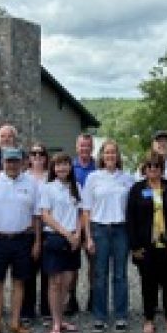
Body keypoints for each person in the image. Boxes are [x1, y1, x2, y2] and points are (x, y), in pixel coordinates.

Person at [0, 147, 41, 333]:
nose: (12, 165)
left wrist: (37, 242)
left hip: (23, 238)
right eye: (8, 161)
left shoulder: (32, 183)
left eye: (16, 161)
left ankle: (15, 322)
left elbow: (36, 216)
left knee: (19, 282)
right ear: (2, 162)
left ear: (23, 162)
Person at [82, 139, 135, 333]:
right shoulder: (93, 178)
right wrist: (88, 237)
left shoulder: (128, 178)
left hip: (121, 230)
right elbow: (86, 210)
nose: (110, 156)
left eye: (113, 152)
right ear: (101, 156)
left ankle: (121, 315)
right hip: (99, 229)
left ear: (118, 156)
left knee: (120, 275)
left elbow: (133, 208)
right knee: (99, 274)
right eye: (107, 153)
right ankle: (100, 316)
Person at [126, 151, 167, 333]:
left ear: (162, 169)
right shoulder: (137, 189)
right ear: (145, 168)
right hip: (145, 246)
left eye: (157, 166)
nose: (153, 169)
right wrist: (134, 246)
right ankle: (148, 319)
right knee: (147, 283)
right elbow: (130, 218)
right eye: (150, 166)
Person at [39, 152, 83, 333]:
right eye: (58, 165)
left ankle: (62, 317)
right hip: (55, 238)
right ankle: (55, 322)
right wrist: (66, 234)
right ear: (53, 168)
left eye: (65, 164)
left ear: (70, 167)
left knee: (67, 282)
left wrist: (78, 234)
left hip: (73, 238)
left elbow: (81, 213)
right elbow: (45, 216)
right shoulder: (47, 188)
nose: (62, 168)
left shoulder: (77, 187)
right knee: (55, 283)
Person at [22, 142, 50, 325]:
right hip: (28, 230)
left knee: (48, 271)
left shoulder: (51, 177)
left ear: (46, 157)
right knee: (28, 272)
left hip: (48, 229)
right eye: (33, 153)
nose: (37, 157)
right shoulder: (23, 177)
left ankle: (47, 309)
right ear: (29, 158)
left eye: (41, 153)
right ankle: (28, 310)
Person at [68, 132, 96, 315]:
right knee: (72, 265)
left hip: (93, 222)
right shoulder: (69, 167)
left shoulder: (98, 167)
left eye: (88, 145)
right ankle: (71, 299)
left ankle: (93, 298)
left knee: (94, 264)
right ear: (76, 147)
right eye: (81, 145)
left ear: (92, 147)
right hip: (73, 221)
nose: (84, 149)